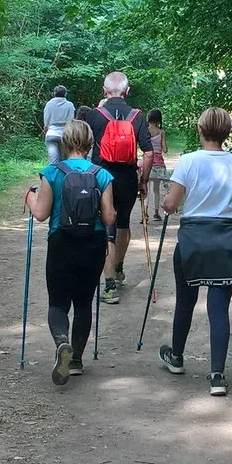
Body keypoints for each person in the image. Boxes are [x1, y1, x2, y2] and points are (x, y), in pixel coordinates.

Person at [157, 107, 232, 397]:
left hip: (192, 241)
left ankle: (176, 357)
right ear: (227, 133)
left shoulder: (188, 161)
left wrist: (165, 202)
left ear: (200, 131)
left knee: (185, 303)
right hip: (226, 241)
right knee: (218, 309)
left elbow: (171, 205)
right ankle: (217, 375)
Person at [24, 120, 116, 386]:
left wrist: (30, 197)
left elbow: (41, 214)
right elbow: (109, 218)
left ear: (65, 142)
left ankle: (61, 342)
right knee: (84, 303)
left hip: (61, 242)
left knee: (58, 303)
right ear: (90, 144)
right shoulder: (102, 174)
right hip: (93, 243)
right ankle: (75, 361)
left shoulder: (52, 173)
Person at [75, 71, 153, 305]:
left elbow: (81, 148)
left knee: (105, 226)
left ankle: (109, 286)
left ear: (104, 90)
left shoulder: (94, 116)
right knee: (123, 223)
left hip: (101, 178)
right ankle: (118, 267)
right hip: (128, 178)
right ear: (127, 91)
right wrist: (143, 180)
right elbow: (148, 152)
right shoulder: (137, 116)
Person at [41, 85, 75, 165]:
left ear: (54, 93)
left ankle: (52, 176)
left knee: (53, 161)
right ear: (65, 94)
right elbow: (71, 121)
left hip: (51, 134)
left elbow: (46, 121)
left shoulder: (49, 104)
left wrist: (46, 129)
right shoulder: (70, 105)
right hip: (65, 135)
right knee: (64, 161)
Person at [146, 108, 169, 220]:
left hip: (148, 163)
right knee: (156, 190)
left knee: (147, 188)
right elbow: (165, 150)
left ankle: (145, 213)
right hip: (159, 164)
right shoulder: (161, 132)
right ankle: (156, 213)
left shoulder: (146, 131)